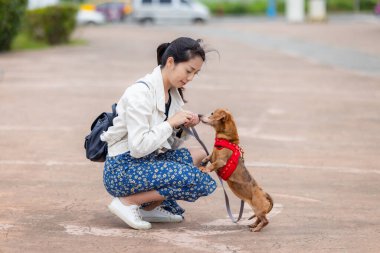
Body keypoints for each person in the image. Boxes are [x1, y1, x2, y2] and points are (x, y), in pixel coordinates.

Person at [100, 37, 217, 230]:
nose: (190, 78)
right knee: (192, 178)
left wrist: (182, 126)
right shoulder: (139, 93)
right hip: (122, 169)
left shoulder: (173, 94)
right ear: (170, 62)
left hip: (147, 163)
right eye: (188, 70)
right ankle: (128, 202)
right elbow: (138, 148)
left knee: (200, 155)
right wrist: (171, 122)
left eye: (195, 73)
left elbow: (166, 145)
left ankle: (149, 209)